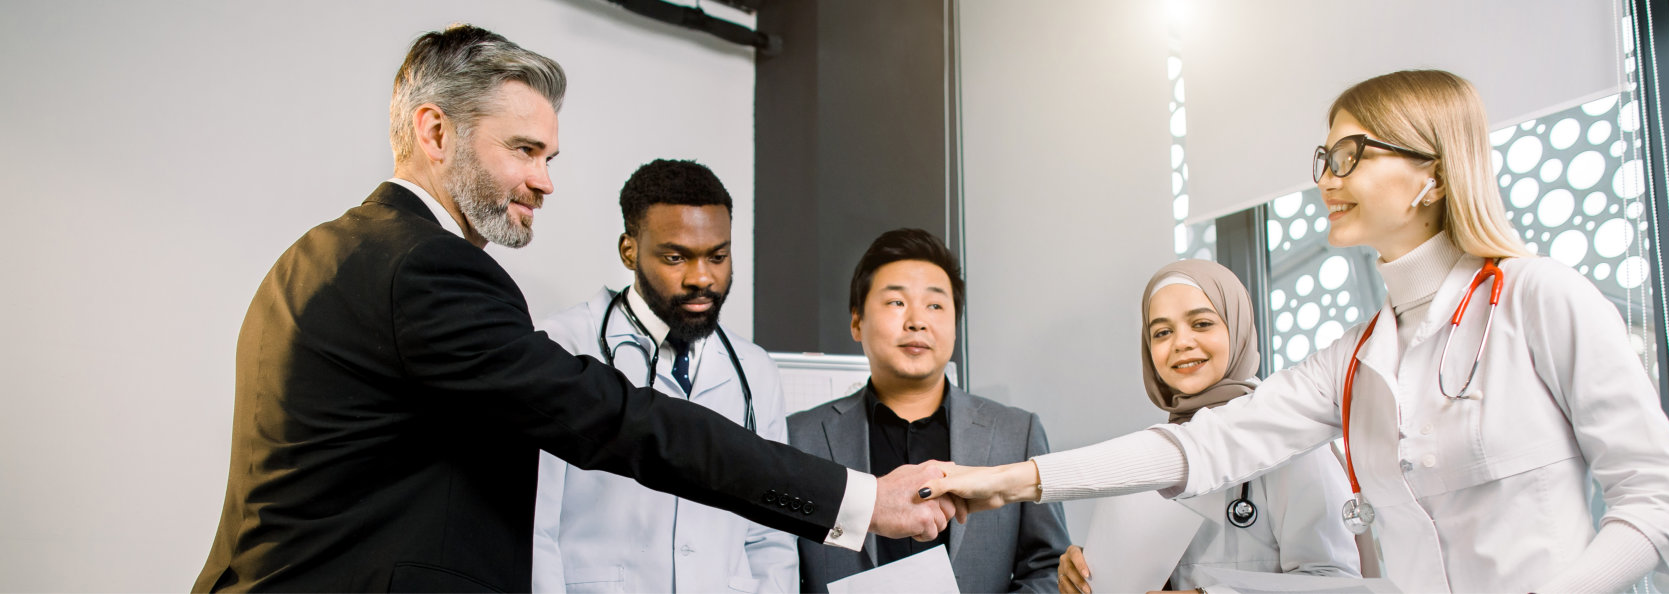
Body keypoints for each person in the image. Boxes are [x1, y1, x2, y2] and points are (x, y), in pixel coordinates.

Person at [194, 25, 952, 593]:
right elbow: (618, 420)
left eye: (548, 158)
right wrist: (858, 496)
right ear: (434, 131)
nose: (544, 181)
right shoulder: (428, 268)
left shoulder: (317, 255)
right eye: (523, 151)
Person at [923, 70, 1669, 593]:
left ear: (1430, 172)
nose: (1327, 177)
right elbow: (1203, 445)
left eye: (1353, 154)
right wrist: (1010, 480)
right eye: (1326, 155)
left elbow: (1660, 499)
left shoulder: (1539, 298)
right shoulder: (1357, 358)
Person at [529, 159, 795, 593]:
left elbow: (770, 537)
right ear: (629, 250)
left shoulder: (755, 370)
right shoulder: (563, 345)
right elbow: (535, 524)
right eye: (676, 257)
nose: (702, 278)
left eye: (718, 256)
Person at [789, 229, 1069, 593]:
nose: (917, 321)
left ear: (954, 326)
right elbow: (775, 566)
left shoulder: (1016, 433)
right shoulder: (800, 437)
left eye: (935, 305)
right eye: (896, 303)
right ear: (857, 322)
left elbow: (1049, 567)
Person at [1057, 260, 1359, 594]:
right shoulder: (1159, 452)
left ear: (1237, 328)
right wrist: (1091, 570)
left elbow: (1335, 582)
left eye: (1201, 323)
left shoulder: (1290, 443)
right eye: (1162, 332)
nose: (1181, 343)